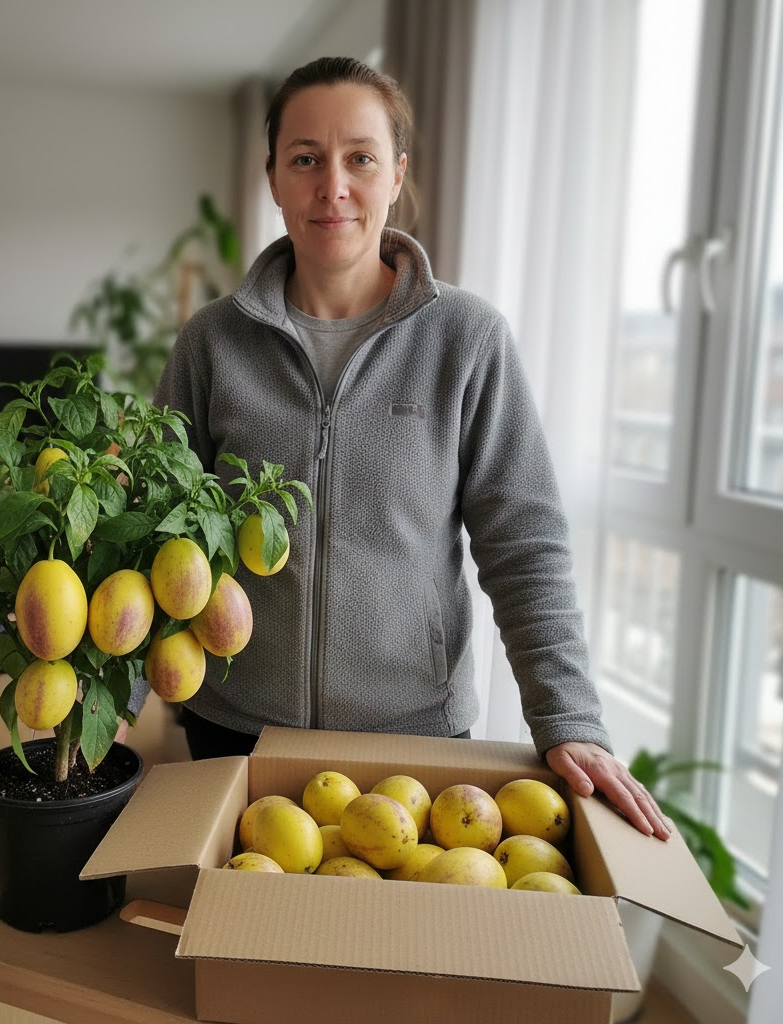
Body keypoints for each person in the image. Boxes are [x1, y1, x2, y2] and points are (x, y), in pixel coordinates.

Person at [153, 56, 669, 840]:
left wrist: (568, 716)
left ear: (396, 174)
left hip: (415, 738)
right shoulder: (211, 343)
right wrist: (100, 712)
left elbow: (523, 541)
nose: (333, 187)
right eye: (306, 159)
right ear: (273, 179)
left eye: (359, 158)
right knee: (240, 921)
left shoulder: (467, 338)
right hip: (235, 727)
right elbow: (158, 531)